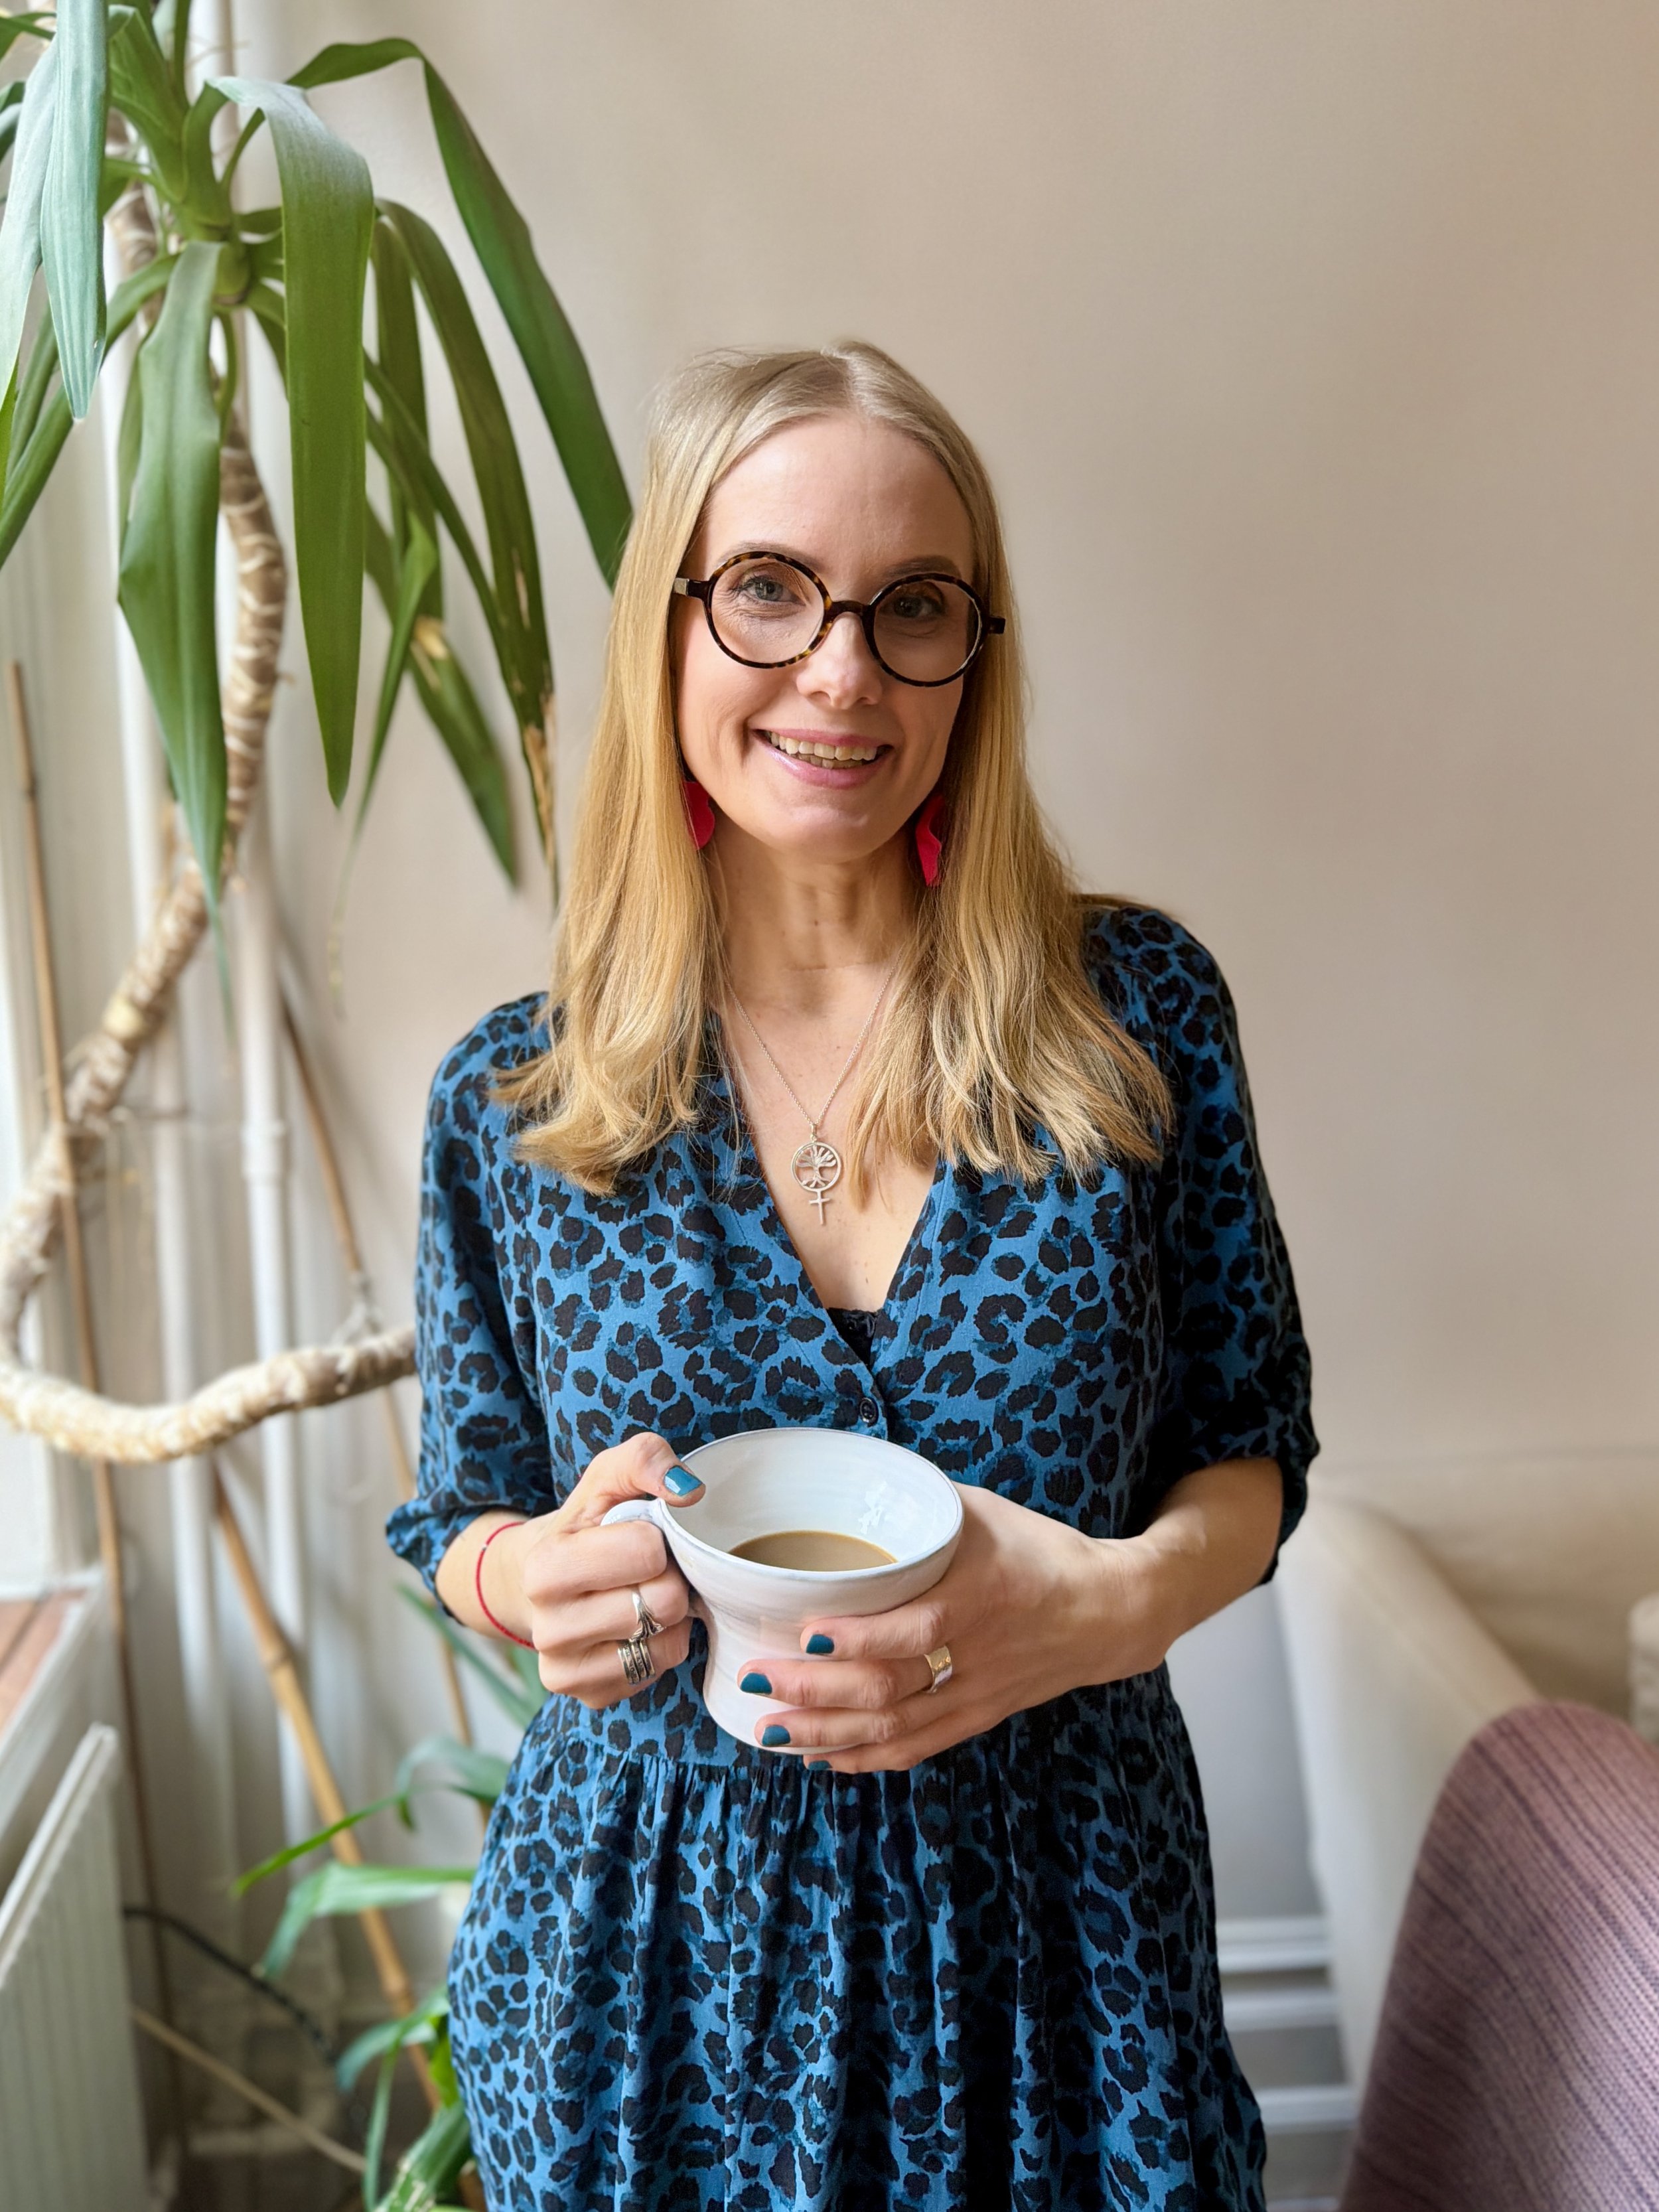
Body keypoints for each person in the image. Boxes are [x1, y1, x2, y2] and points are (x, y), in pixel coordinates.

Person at [388, 340, 1316, 2211]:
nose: (841, 668)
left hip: (1066, 1954)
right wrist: (525, 1580)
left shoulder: (1132, 1018)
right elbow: (457, 1510)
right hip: (651, 1986)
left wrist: (1119, 1604)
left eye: (913, 607)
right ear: (671, 626)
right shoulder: (518, 1099)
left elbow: (1253, 1444)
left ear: (978, 652)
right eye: (767, 592)